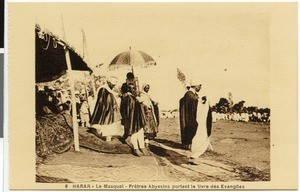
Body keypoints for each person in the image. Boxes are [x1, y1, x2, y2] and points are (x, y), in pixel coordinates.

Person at [90, 76, 123, 141]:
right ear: (108, 82)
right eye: (112, 84)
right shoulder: (103, 89)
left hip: (111, 110)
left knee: (111, 124)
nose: (113, 86)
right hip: (106, 110)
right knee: (106, 124)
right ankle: (107, 137)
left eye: (114, 85)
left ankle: (108, 137)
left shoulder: (109, 89)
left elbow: (112, 95)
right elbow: (102, 102)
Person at [120, 83, 150, 157]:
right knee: (134, 132)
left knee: (140, 131)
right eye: (131, 88)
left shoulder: (133, 97)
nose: (133, 90)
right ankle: (136, 148)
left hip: (137, 117)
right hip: (131, 118)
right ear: (128, 89)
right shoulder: (128, 98)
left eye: (134, 88)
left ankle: (142, 147)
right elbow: (126, 110)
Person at [189, 95, 213, 165]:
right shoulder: (201, 108)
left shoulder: (202, 107)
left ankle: (193, 157)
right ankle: (193, 158)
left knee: (200, 142)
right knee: (200, 143)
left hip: (201, 128)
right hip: (201, 128)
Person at [179, 82, 201, 150]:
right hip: (190, 118)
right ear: (195, 85)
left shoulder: (191, 94)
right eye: (200, 85)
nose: (200, 87)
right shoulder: (190, 95)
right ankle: (189, 144)